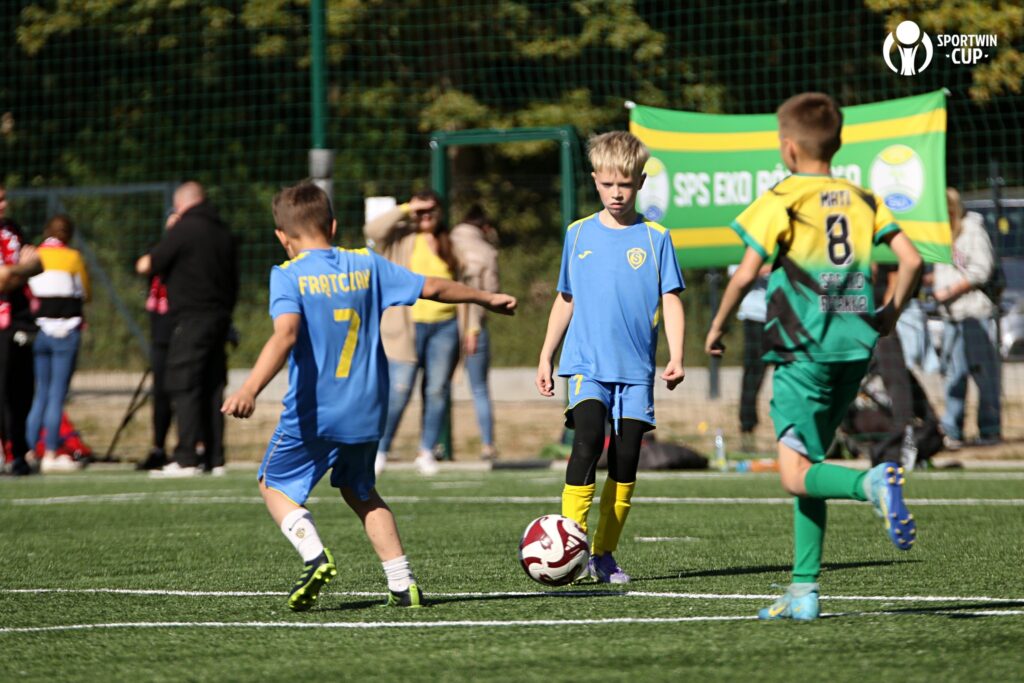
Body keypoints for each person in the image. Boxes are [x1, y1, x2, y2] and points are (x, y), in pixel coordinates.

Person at [221, 181, 516, 611]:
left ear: (282, 236)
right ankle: (402, 582)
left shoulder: (288, 275)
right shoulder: (366, 265)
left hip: (316, 410)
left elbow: (285, 334)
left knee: (273, 483)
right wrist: (485, 298)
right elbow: (433, 287)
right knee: (361, 492)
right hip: (367, 410)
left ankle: (314, 555)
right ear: (333, 226)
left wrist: (249, 388)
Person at [705, 92, 924, 621]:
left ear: (788, 148)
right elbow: (912, 260)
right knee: (808, 463)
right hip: (854, 349)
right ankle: (804, 590)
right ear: (838, 142)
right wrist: (890, 315)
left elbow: (744, 273)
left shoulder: (782, 197)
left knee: (793, 474)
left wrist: (717, 326)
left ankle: (870, 483)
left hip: (803, 352)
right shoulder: (862, 197)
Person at [536, 131, 686, 584]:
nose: (616, 193)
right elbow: (566, 297)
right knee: (586, 441)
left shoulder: (657, 238)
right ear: (595, 181)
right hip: (586, 364)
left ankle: (603, 554)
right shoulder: (578, 233)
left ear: (640, 182)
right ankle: (571, 546)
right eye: (607, 184)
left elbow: (671, 299)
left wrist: (677, 354)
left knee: (625, 461)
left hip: (636, 372)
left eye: (625, 184)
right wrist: (546, 356)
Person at [136, 181, 238, 476]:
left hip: (191, 317)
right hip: (220, 317)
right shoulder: (223, 231)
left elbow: (148, 265)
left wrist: (170, 233)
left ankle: (186, 456)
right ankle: (215, 457)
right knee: (212, 386)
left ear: (180, 204)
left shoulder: (184, 229)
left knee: (183, 383)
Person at [363, 190, 462, 476]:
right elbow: (372, 230)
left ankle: (426, 451)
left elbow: (463, 282)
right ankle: (380, 450)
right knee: (399, 390)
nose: (426, 216)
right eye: (422, 211)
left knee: (437, 391)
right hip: (406, 328)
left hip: (445, 326)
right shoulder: (400, 237)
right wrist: (407, 208)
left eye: (431, 211)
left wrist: (471, 325)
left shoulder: (450, 241)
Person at [933, 188, 1001, 448]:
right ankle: (952, 430)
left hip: (974, 313)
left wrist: (950, 290)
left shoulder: (972, 229)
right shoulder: (941, 233)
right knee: (954, 375)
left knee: (984, 374)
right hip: (951, 315)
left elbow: (982, 269)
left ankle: (989, 429)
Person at [25, 215, 90, 473]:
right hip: (66, 332)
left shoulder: (34, 255)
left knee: (40, 393)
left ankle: (29, 451)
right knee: (56, 395)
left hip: (38, 331)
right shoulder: (73, 257)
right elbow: (85, 292)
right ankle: (50, 452)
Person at [450, 204, 500, 460]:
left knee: (435, 387)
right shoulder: (487, 251)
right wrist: (473, 325)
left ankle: (430, 446)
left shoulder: (445, 240)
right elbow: (490, 294)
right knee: (479, 389)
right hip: (474, 327)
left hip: (439, 321)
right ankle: (487, 444)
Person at [0, 183, 43, 476]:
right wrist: (21, 270)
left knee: (22, 391)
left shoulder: (12, 228)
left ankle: (18, 452)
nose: (4, 205)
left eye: (4, 198)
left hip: (20, 320)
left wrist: (15, 271)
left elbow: (37, 263)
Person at [136, 210, 179, 471]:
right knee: (161, 392)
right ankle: (158, 447)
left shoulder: (191, 257)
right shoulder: (162, 252)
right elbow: (143, 265)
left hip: (182, 328)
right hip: (161, 331)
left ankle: (191, 446)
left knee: (184, 391)